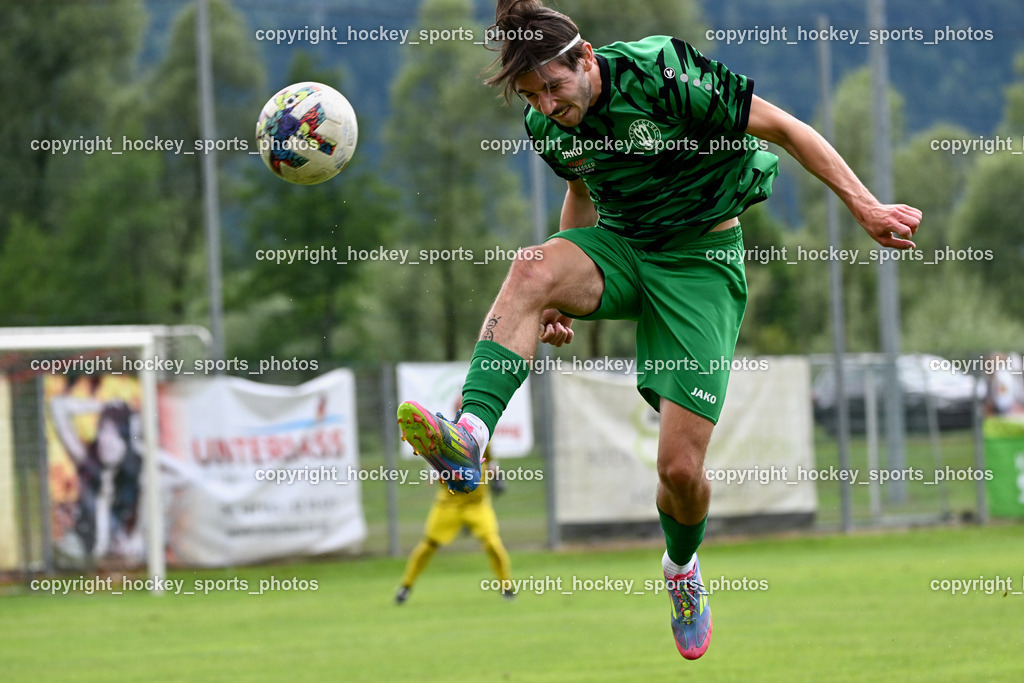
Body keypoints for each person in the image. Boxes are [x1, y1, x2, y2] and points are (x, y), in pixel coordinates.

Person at [397, 0, 921, 660]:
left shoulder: (663, 73)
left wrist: (866, 206)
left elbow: (784, 129)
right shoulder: (546, 123)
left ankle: (681, 569)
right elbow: (582, 192)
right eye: (532, 95)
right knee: (530, 269)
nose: (548, 105)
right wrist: (554, 295)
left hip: (699, 261)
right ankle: (468, 437)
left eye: (554, 87)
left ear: (585, 58)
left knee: (679, 469)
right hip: (619, 246)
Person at [395, 443, 513, 604]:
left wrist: (498, 478)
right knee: (428, 545)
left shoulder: (480, 436)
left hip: (477, 504)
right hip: (449, 504)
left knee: (493, 543)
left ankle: (506, 587)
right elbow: (430, 473)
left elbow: (491, 462)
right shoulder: (443, 439)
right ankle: (406, 586)